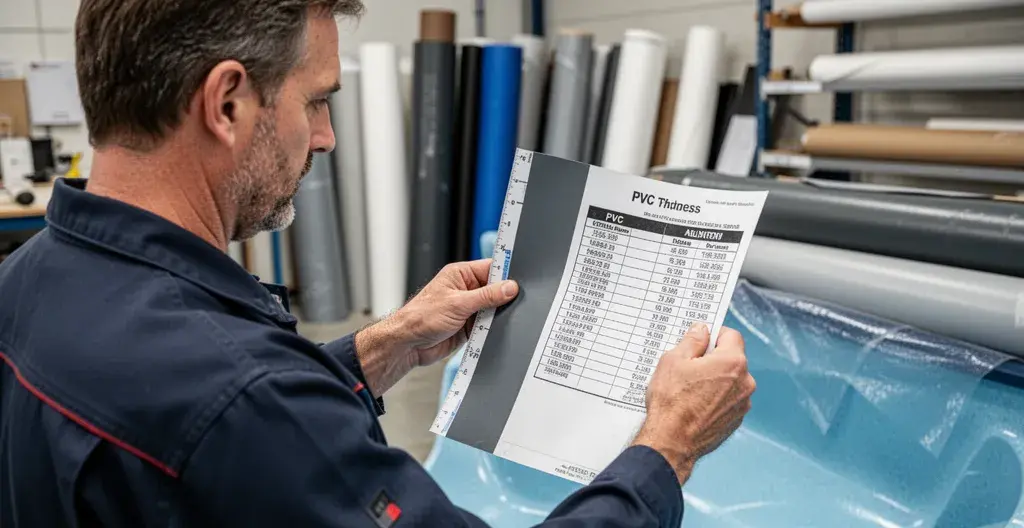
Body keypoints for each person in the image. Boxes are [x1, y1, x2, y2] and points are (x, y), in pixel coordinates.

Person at [0, 0, 756, 526]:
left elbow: (208, 439)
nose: (326, 136)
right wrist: (668, 445)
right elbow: (243, 416)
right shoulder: (244, 396)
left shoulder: (26, 279)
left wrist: (380, 348)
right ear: (227, 103)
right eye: (315, 101)